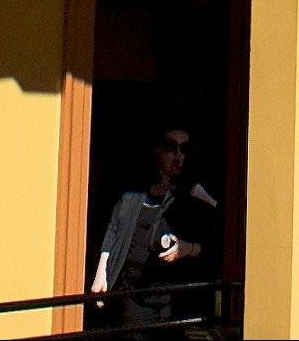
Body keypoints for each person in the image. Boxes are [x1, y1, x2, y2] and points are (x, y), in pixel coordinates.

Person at [89, 128, 222, 329]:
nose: (178, 156)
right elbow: (115, 228)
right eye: (171, 148)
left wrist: (188, 248)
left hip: (175, 299)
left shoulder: (194, 196)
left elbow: (215, 240)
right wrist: (102, 272)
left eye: (183, 149)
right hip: (135, 296)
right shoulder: (134, 194)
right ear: (158, 150)